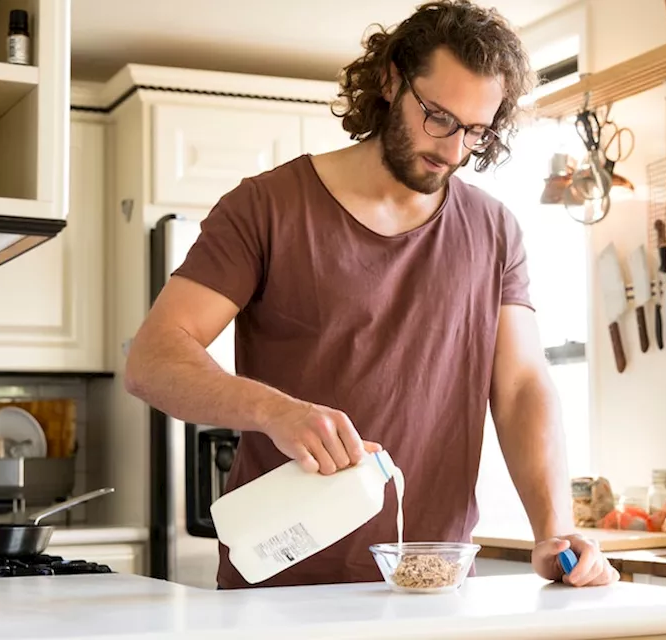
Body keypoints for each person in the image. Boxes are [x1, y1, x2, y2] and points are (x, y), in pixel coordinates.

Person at [124, 0, 619, 590]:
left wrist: (554, 530)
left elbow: (519, 387)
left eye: (476, 130)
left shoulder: (494, 230)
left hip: (431, 585)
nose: (453, 149)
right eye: (437, 116)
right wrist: (274, 411)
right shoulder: (266, 208)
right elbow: (152, 359)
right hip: (280, 587)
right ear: (390, 80)